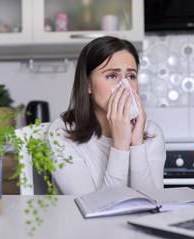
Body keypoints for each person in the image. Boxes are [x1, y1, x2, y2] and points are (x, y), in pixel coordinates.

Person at [48, 36, 166, 195]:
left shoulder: (152, 132)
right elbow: (93, 209)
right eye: (112, 75)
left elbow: (152, 203)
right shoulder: (61, 133)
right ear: (88, 85)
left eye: (131, 76)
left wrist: (137, 144)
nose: (125, 86)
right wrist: (120, 144)